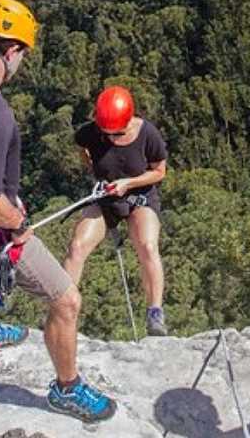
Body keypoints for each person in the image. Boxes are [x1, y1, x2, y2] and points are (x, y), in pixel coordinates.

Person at [0, 0, 116, 423]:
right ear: (11, 51)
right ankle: (67, 390)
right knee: (66, 299)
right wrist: (19, 224)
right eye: (22, 55)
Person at [66, 85, 169, 336]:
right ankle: (63, 308)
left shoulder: (148, 134)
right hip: (106, 197)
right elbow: (82, 148)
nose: (111, 138)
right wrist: (95, 172)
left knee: (146, 245)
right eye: (107, 134)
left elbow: (159, 171)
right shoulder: (90, 133)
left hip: (139, 197)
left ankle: (155, 312)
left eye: (117, 133)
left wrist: (128, 183)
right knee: (77, 246)